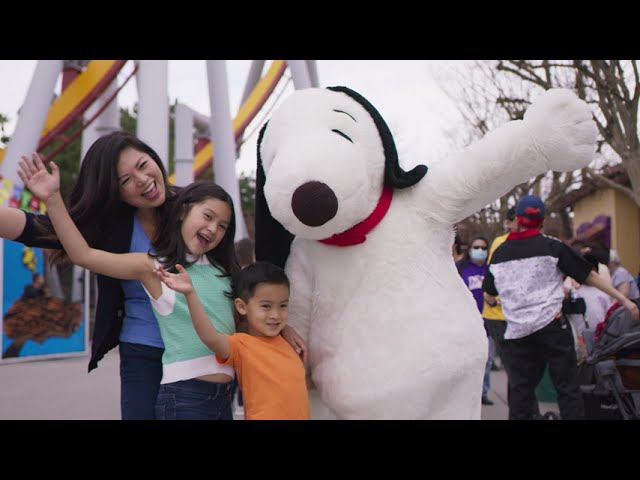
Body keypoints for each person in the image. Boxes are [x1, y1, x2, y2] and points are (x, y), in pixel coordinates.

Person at [13, 144, 305, 420]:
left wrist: (281, 328)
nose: (213, 228)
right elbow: (84, 255)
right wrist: (53, 199)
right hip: (184, 395)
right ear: (183, 211)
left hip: (223, 396)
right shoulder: (153, 266)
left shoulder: (223, 270)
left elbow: (245, 316)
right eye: (207, 216)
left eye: (222, 226)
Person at [482, 195, 638, 420]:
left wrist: (495, 301)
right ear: (542, 221)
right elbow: (589, 275)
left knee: (521, 390)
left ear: (517, 219)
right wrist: (624, 300)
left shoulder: (500, 254)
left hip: (518, 331)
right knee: (567, 387)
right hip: (551, 326)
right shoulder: (552, 247)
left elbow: (489, 293)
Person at [156, 260, 310, 420]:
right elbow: (210, 337)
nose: (275, 315)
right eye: (266, 306)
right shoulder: (242, 344)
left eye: (283, 306)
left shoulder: (288, 342)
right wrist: (190, 294)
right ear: (241, 307)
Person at [456, 235, 492, 405]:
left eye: (483, 248)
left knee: (487, 360)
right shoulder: (460, 268)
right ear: (470, 249)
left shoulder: (491, 269)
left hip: (488, 321)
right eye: (476, 247)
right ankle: (462, 394)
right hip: (465, 321)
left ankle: (482, 393)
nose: (480, 250)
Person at [231, 237, 255, 417]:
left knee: (235, 371)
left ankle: (236, 401)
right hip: (250, 333)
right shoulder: (253, 276)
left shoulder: (236, 276)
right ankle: (241, 402)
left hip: (236, 332)